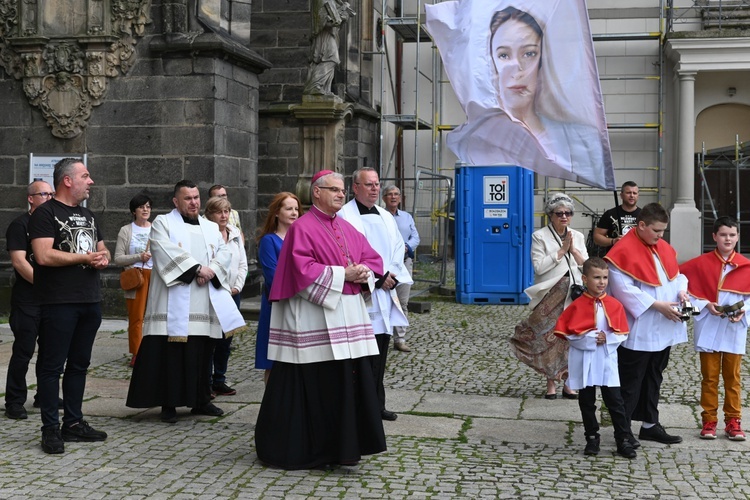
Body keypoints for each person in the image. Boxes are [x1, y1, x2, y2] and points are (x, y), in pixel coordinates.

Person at [255, 170, 386, 470]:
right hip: (313, 322)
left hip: (346, 321)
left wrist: (364, 272)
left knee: (345, 383)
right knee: (318, 386)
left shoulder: (348, 227)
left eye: (342, 190)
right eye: (335, 190)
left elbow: (372, 259)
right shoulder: (302, 228)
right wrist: (344, 274)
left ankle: (343, 447)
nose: (341, 194)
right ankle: (313, 450)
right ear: (316, 193)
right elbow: (300, 270)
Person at [439, 6, 613, 190]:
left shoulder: (578, 139)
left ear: (542, 60)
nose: (517, 68)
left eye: (529, 53)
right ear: (493, 64)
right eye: (504, 55)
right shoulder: (476, 140)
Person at [126, 180, 246, 424]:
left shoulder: (210, 227)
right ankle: (168, 404)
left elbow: (224, 254)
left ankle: (201, 399)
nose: (194, 202)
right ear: (176, 201)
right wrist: (198, 270)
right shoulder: (163, 223)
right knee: (171, 352)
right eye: (188, 198)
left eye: (196, 197)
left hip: (203, 302)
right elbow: (164, 251)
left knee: (202, 351)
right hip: (172, 303)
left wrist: (211, 270)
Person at [29, 158, 110, 454]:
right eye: (85, 176)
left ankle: (73, 424)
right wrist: (85, 258)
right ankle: (50, 429)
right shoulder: (45, 213)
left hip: (89, 300)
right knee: (51, 367)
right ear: (67, 180)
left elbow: (101, 247)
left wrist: (103, 257)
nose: (90, 181)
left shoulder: (88, 215)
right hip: (58, 302)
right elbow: (43, 255)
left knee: (79, 365)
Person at [605, 203, 688, 446]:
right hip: (639, 328)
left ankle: (650, 424)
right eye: (657, 231)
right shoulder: (622, 251)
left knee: (654, 376)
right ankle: (624, 430)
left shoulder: (661, 247)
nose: (661, 237)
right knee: (631, 381)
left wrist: (682, 292)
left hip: (664, 326)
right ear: (641, 226)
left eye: (663, 232)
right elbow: (623, 290)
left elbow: (677, 275)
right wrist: (657, 305)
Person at [339, 168, 411, 421]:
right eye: (368, 184)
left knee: (380, 353)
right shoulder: (343, 216)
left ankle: (377, 405)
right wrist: (376, 278)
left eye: (377, 184)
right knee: (359, 355)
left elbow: (397, 247)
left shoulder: (385, 216)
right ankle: (357, 406)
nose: (374, 189)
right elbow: (345, 253)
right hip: (360, 293)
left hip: (384, 292)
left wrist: (390, 275)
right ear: (355, 186)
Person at [553, 257, 636, 459]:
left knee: (615, 401)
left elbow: (622, 332)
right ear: (584, 278)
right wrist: (590, 339)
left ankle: (623, 439)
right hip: (584, 359)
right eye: (597, 277)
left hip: (606, 359)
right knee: (587, 401)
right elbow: (569, 334)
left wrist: (607, 337)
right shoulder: (576, 306)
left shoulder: (615, 305)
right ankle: (592, 437)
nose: (601, 282)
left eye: (605, 278)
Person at [680, 216, 750, 441]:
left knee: (733, 377)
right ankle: (709, 420)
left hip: (733, 329)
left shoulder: (746, 266)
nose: (727, 239)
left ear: (738, 237)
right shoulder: (700, 263)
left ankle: (733, 420)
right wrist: (704, 305)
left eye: (732, 235)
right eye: (723, 235)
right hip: (709, 326)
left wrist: (743, 311)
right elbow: (683, 287)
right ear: (714, 237)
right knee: (709, 378)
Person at [511, 193, 586, 400]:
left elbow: (586, 265)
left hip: (573, 293)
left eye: (568, 213)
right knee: (548, 339)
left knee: (571, 339)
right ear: (550, 215)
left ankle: (570, 384)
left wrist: (574, 251)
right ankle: (550, 383)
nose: (564, 217)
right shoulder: (540, 236)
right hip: (549, 294)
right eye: (559, 213)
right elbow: (539, 266)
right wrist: (561, 251)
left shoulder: (577, 236)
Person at [4, 181, 54, 420]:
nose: (48, 197)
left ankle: (45, 395)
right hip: (28, 300)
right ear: (31, 198)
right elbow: (20, 263)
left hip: (51, 301)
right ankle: (14, 400)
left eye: (51, 194)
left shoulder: (53, 224)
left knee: (50, 352)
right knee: (23, 352)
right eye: (44, 193)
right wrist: (48, 285)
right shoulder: (19, 225)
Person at [255, 191, 302, 384]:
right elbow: (273, 276)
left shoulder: (302, 239)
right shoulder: (269, 241)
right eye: (288, 208)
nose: (294, 213)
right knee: (273, 360)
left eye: (296, 209)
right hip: (277, 305)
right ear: (276, 212)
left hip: (301, 305)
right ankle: (272, 407)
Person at [203, 195, 248, 396]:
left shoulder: (234, 233)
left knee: (225, 340)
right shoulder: (205, 233)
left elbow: (242, 264)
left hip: (232, 292)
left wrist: (237, 287)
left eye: (227, 211)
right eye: (219, 212)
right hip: (213, 292)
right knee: (209, 340)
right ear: (210, 214)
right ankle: (205, 382)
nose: (224, 215)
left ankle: (219, 379)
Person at [114, 194, 153, 368]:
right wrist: (139, 256)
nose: (145, 210)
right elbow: (118, 258)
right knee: (136, 317)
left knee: (157, 316)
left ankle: (155, 352)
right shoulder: (126, 230)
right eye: (141, 207)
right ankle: (137, 353)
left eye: (148, 206)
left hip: (156, 275)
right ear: (133, 211)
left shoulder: (157, 229)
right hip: (136, 276)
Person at [382, 185, 420, 353]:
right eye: (389, 194)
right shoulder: (378, 216)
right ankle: (382, 337)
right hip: (384, 264)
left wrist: (406, 246)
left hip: (404, 263)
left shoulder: (406, 217)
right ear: (384, 198)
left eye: (396, 194)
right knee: (383, 301)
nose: (393, 197)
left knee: (402, 301)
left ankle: (400, 339)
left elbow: (415, 237)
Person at [593, 181, 641, 255]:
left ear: (638, 195)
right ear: (621, 195)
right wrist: (613, 241)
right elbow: (597, 237)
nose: (632, 195)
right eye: (628, 193)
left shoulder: (644, 215)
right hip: (615, 259)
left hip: (637, 256)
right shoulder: (610, 214)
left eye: (634, 193)